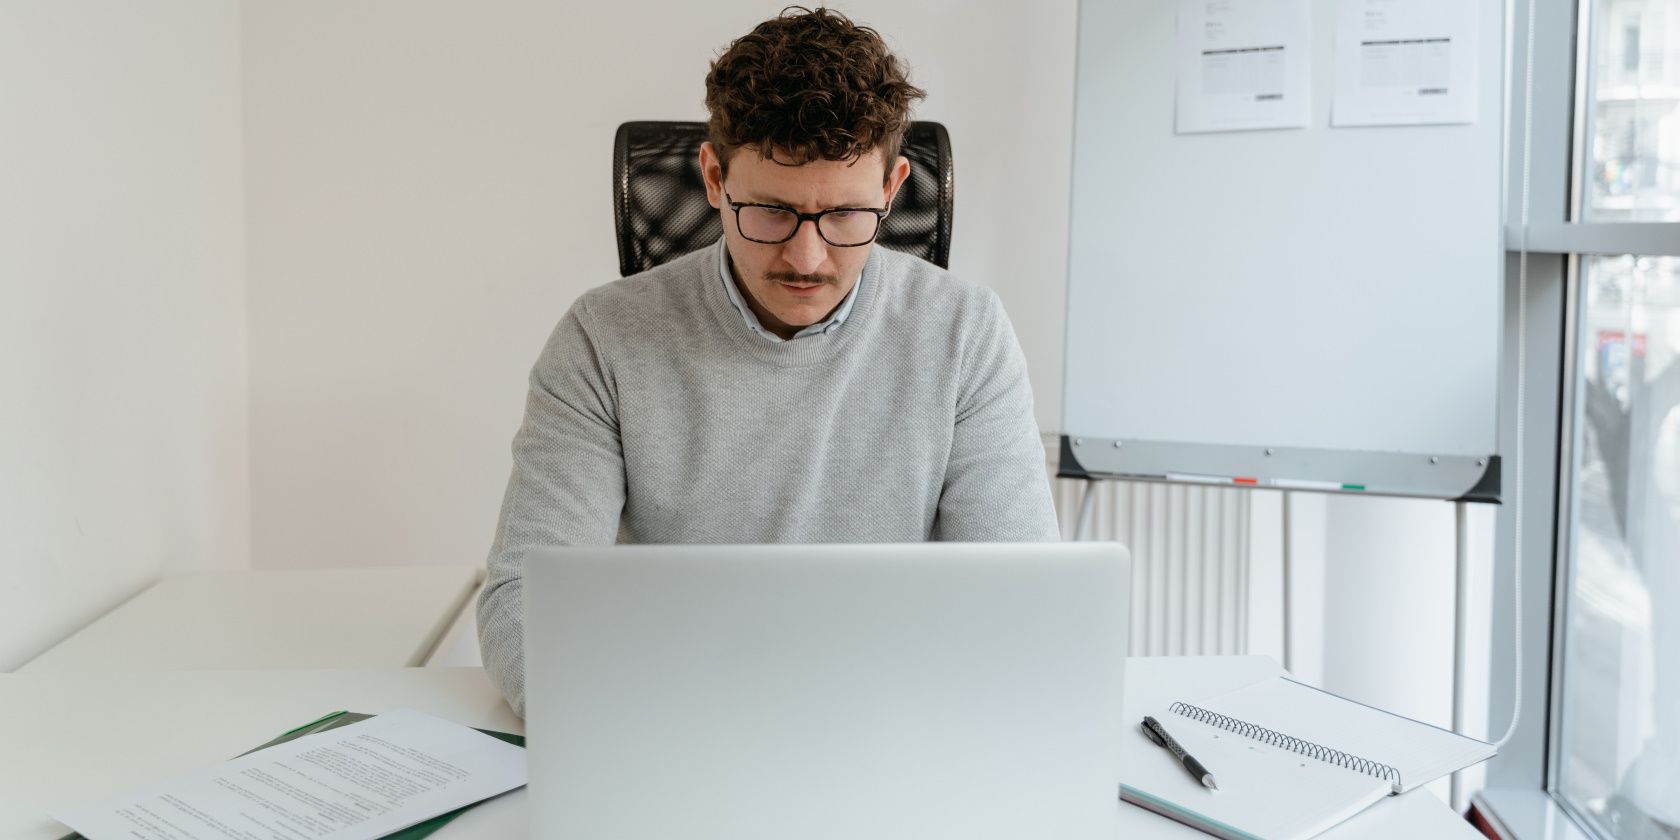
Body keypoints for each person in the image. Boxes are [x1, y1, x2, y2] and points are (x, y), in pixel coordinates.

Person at [478, 6, 1059, 716]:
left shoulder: (966, 333)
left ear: (892, 187)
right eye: (773, 212)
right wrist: (649, 728)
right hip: (674, 719)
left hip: (889, 726)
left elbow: (1020, 601)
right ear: (714, 178)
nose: (806, 259)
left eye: (844, 215)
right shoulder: (604, 339)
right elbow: (522, 602)